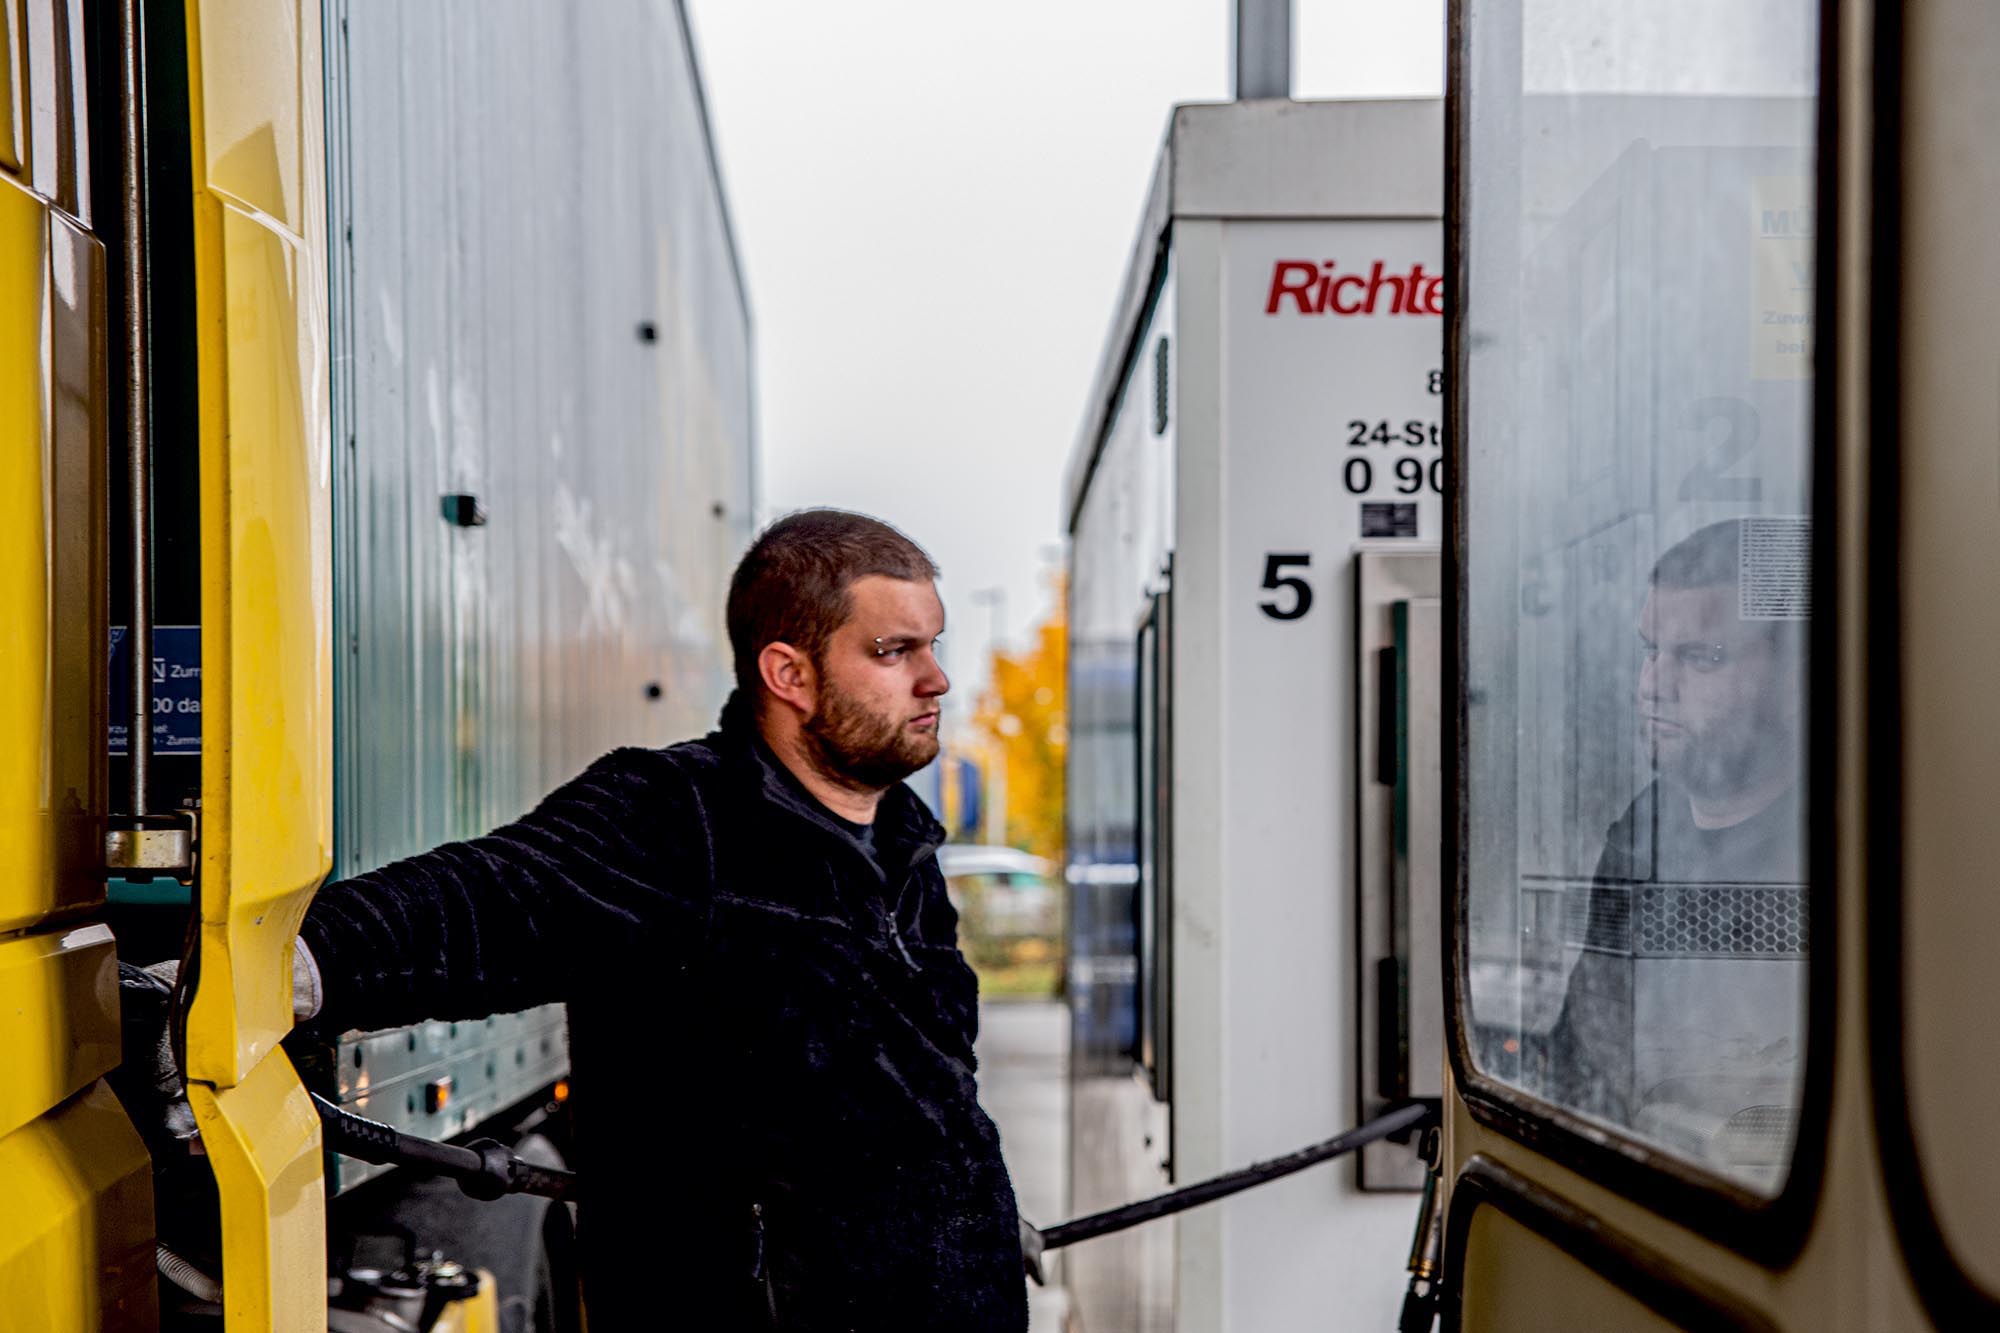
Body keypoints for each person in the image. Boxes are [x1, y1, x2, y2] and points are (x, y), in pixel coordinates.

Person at [294, 509, 1027, 1329]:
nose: (937, 679)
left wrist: (977, 1221)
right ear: (790, 672)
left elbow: (927, 1104)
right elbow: (485, 901)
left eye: (934, 644)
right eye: (895, 651)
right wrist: (286, 963)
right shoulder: (681, 818)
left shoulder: (905, 852)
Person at [1544, 518, 1808, 1159]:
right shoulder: (1642, 834)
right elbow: (1583, 1058)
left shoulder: (1846, 842)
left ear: (1798, 680)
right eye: (1650, 651)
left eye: (1702, 657)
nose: (1654, 685)